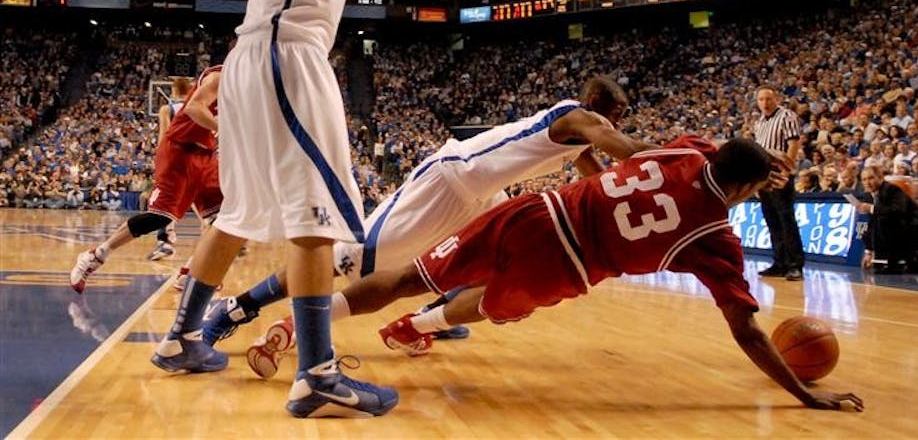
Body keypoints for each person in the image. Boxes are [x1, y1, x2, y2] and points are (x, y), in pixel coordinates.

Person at [150, 0, 469, 422]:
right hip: (286, 57)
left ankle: (181, 338)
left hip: (248, 60)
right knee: (316, 219)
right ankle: (318, 376)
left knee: (236, 214)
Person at [310, 136, 863, 412]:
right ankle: (417, 326)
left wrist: (756, 159)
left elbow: (725, 154)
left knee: (410, 275)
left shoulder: (690, 150)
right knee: (487, 305)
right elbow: (747, 331)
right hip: (564, 264)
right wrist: (804, 395)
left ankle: (306, 322)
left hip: (539, 210)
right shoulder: (714, 238)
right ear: (745, 188)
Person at [202, 77, 654, 378]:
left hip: (482, 195)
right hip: (452, 178)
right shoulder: (582, 118)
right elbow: (625, 150)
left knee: (500, 263)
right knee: (350, 260)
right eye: (619, 112)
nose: (620, 120)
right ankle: (239, 307)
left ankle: (424, 322)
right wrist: (681, 157)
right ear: (599, 106)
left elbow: (599, 176)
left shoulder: (577, 134)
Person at [69, 67, 222, 293]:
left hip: (206, 155)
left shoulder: (252, 90)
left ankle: (192, 272)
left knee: (223, 217)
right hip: (179, 151)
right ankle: (96, 255)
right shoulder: (219, 77)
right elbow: (194, 108)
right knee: (159, 217)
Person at [750, 87, 804, 281]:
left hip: (780, 173)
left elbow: (793, 144)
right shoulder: (759, 122)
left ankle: (795, 265)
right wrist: (757, 182)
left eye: (768, 99)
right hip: (764, 176)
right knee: (772, 220)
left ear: (777, 99)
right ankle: (779, 262)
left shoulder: (786, 116)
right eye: (761, 99)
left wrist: (786, 171)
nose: (765, 103)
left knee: (786, 220)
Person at [856, 167, 918, 274]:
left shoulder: (892, 189)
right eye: (864, 179)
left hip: (916, 227)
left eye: (871, 178)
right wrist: (868, 252)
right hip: (899, 227)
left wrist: (872, 208)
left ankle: (900, 262)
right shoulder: (868, 196)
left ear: (880, 178)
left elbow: (897, 211)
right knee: (873, 226)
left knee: (886, 222)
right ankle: (899, 261)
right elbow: (872, 223)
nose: (867, 182)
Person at [147, 76, 193, 261]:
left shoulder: (168, 109)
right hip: (198, 158)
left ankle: (164, 242)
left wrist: (160, 160)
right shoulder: (198, 107)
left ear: (173, 90)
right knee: (200, 202)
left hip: (175, 158)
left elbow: (164, 137)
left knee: (164, 201)